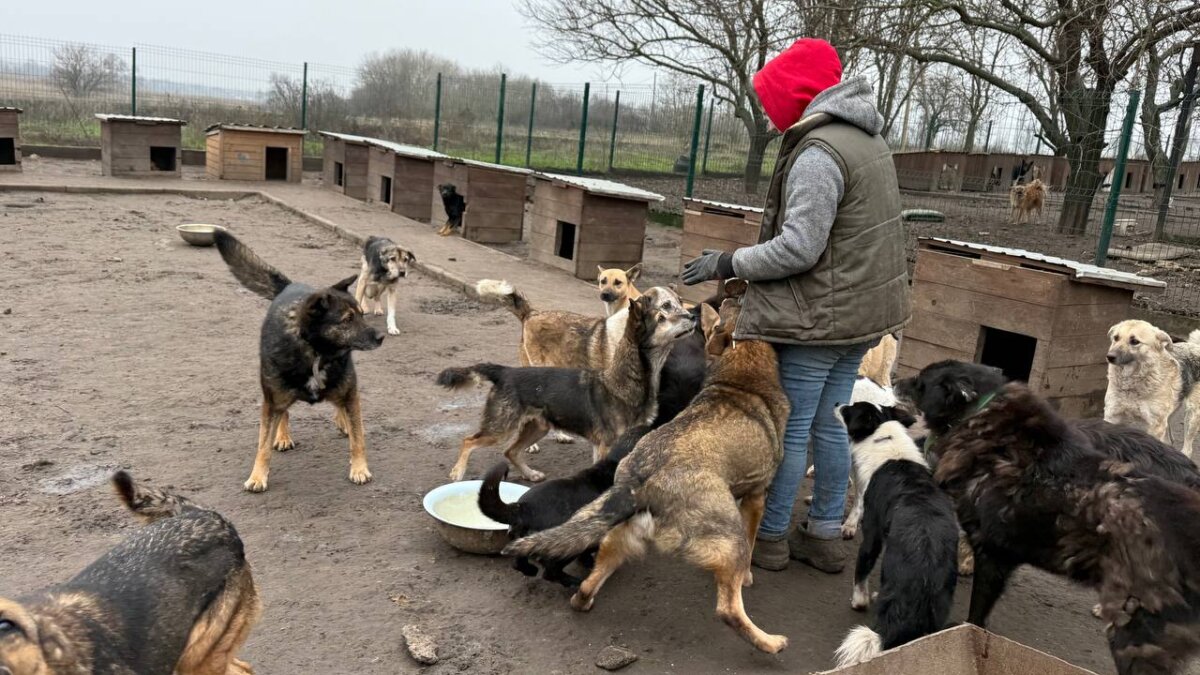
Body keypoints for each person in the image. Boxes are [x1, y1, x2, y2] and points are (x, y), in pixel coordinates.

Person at [682, 38, 910, 573]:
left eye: (771, 101)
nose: (767, 113)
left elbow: (798, 248)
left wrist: (728, 262)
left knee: (791, 428)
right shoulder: (867, 139)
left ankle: (771, 536)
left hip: (818, 321)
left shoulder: (818, 154)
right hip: (861, 315)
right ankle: (824, 535)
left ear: (796, 95)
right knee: (831, 425)